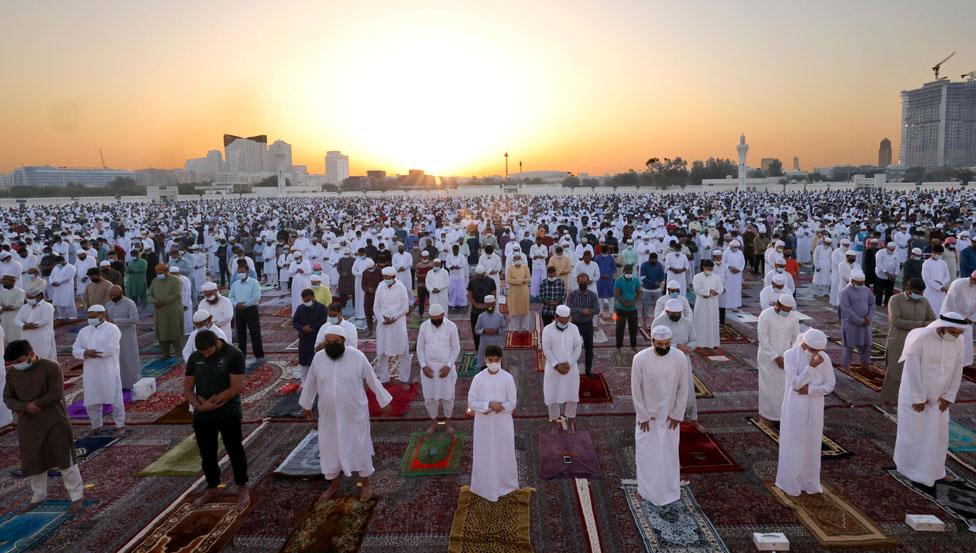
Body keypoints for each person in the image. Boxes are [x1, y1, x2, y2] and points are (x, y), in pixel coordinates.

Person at [300, 325, 392, 501]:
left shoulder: (357, 356)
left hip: (354, 413)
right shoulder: (319, 358)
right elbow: (310, 382)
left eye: (335, 342)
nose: (331, 345)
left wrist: (384, 401)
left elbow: (372, 379)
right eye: (328, 342)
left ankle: (365, 485)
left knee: (360, 446)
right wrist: (306, 405)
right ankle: (334, 485)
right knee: (330, 448)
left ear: (343, 341)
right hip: (329, 415)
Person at [3, 340, 85, 513]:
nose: (17, 365)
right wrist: (25, 407)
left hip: (54, 420)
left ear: (31, 354)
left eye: (19, 361)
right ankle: (38, 495)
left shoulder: (50, 367)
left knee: (64, 457)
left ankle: (76, 495)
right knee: (34, 459)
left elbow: (56, 393)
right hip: (29, 423)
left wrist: (37, 404)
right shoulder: (12, 374)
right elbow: (8, 398)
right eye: (13, 363)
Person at [893, 313, 968, 487]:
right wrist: (919, 397)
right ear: (941, 327)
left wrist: (950, 396)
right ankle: (908, 469)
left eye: (959, 332)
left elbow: (958, 369)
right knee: (914, 433)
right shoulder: (920, 339)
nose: (955, 335)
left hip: (940, 396)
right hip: (915, 395)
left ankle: (936, 472)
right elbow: (912, 370)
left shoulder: (958, 341)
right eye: (952, 331)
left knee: (939, 436)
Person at [183, 330, 249, 506]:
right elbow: (188, 388)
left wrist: (214, 401)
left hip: (228, 412)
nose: (205, 355)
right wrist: (199, 405)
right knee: (207, 452)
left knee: (234, 449)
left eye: (208, 352)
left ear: (217, 342)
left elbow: (237, 386)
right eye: (202, 353)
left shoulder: (233, 355)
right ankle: (213, 486)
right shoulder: (195, 357)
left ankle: (242, 486)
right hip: (203, 414)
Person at [631, 325, 689, 506]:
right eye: (660, 344)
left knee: (668, 455)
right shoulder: (640, 358)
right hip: (647, 417)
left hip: (670, 417)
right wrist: (643, 416)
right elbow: (635, 389)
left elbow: (683, 387)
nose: (664, 347)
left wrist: (677, 414)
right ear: (652, 341)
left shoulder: (679, 357)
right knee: (646, 455)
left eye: (667, 344)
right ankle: (645, 490)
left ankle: (669, 492)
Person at [775, 328, 835, 497]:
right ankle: (789, 483)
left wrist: (811, 390)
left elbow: (829, 385)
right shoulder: (790, 355)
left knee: (812, 445)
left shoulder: (825, 358)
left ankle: (809, 481)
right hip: (795, 408)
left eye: (820, 351)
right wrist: (811, 367)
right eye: (815, 350)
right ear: (805, 344)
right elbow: (795, 384)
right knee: (794, 445)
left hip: (815, 408)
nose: (818, 354)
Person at [467, 344, 518, 502]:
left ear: (501, 360)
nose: (494, 362)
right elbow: (471, 402)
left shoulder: (507, 378)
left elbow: (513, 402)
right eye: (491, 360)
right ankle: (484, 487)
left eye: (497, 360)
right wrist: (488, 404)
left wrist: (500, 407)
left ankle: (505, 485)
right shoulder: (478, 378)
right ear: (485, 359)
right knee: (485, 454)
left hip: (503, 422)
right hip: (484, 424)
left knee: (504, 453)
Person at [72, 305, 125, 437]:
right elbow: (75, 349)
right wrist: (85, 352)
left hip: (108, 369)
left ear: (103, 315)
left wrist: (91, 352)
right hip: (90, 371)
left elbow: (110, 349)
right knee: (92, 399)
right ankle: (96, 426)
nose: (90, 319)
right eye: (89, 317)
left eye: (94, 316)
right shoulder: (84, 331)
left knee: (115, 398)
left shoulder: (113, 329)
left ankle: (120, 426)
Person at [880, 279, 935, 406]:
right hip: (899, 341)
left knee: (916, 372)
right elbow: (896, 321)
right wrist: (921, 325)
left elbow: (932, 320)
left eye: (920, 293)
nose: (918, 295)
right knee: (895, 372)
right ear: (908, 290)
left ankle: (909, 399)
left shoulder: (924, 301)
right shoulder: (895, 300)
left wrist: (921, 325)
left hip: (918, 342)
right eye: (916, 292)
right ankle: (888, 401)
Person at [756, 294, 801, 425]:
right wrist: (775, 357)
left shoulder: (792, 316)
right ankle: (765, 415)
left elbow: (796, 337)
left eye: (789, 310)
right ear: (778, 305)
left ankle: (782, 414)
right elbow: (763, 340)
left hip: (786, 357)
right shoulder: (765, 315)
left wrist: (789, 355)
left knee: (784, 387)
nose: (787, 313)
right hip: (768, 358)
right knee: (767, 388)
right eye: (785, 310)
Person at [416, 304, 460, 435]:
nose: (435, 321)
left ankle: (448, 423)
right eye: (432, 318)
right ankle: (433, 422)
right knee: (430, 398)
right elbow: (420, 348)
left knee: (448, 396)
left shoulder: (451, 327)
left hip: (446, 367)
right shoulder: (424, 327)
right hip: (429, 368)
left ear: (443, 315)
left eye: (437, 318)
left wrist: (449, 365)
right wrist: (423, 365)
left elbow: (456, 348)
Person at [541, 305, 582, 433]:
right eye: (561, 319)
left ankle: (570, 422)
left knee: (572, 395)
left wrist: (569, 363)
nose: (564, 322)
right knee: (552, 396)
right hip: (553, 369)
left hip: (571, 368)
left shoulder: (574, 328)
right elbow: (546, 349)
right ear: (556, 317)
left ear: (569, 318)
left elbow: (578, 348)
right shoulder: (548, 329)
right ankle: (554, 423)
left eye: (566, 319)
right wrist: (556, 365)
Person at [375, 266, 410, 384]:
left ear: (394, 277)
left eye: (388, 277)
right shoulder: (380, 286)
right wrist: (381, 318)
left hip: (398, 323)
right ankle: (383, 377)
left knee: (403, 351)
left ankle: (404, 377)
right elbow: (376, 306)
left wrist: (394, 318)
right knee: (381, 352)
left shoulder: (401, 288)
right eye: (384, 277)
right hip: (383, 324)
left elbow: (405, 308)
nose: (385, 279)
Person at [104, 286, 141, 389]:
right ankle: (120, 384)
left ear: (120, 293)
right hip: (114, 337)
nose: (112, 297)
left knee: (129, 359)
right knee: (117, 359)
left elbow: (134, 319)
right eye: (110, 295)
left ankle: (133, 383)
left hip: (127, 336)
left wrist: (116, 321)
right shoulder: (108, 304)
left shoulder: (129, 303)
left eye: (114, 295)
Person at [228, 263, 265, 362]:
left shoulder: (254, 283)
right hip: (239, 310)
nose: (241, 274)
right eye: (239, 272)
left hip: (251, 309)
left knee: (255, 332)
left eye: (242, 272)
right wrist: (236, 304)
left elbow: (256, 296)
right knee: (240, 333)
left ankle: (259, 354)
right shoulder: (235, 284)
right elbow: (231, 296)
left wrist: (245, 304)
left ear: (247, 272)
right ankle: (241, 354)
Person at [148, 263, 185, 361]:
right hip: (160, 312)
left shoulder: (176, 280)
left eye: (160, 273)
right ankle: (165, 352)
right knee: (162, 332)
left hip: (173, 311)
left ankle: (179, 352)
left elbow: (177, 294)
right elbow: (149, 294)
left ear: (166, 271)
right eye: (157, 273)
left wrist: (163, 302)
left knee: (175, 331)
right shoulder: (155, 281)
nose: (159, 275)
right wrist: (154, 301)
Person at [839, 269, 873, 371]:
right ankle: (846, 365)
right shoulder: (844, 292)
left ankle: (865, 363)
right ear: (852, 281)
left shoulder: (866, 290)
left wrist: (869, 317)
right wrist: (860, 320)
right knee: (849, 345)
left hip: (866, 323)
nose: (861, 285)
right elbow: (846, 310)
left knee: (867, 344)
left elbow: (872, 304)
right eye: (859, 283)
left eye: (862, 283)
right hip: (851, 323)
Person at [566, 273, 600, 376]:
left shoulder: (593, 295)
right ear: (577, 282)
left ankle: (588, 370)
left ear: (588, 281)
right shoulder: (572, 295)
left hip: (588, 325)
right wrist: (581, 311)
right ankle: (571, 369)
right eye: (581, 281)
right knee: (572, 348)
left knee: (589, 349)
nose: (583, 283)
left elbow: (597, 309)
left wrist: (589, 311)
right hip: (575, 325)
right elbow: (569, 310)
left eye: (584, 281)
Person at [942, 270, 976, 369]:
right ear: (970, 277)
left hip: (967, 319)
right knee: (950, 339)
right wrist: (955, 318)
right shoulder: (958, 284)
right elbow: (950, 302)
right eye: (973, 280)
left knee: (966, 342)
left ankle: (964, 364)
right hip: (952, 316)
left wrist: (971, 318)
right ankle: (949, 362)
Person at [293, 289, 328, 377]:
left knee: (316, 360)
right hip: (303, 338)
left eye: (308, 300)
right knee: (304, 362)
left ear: (313, 297)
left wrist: (311, 327)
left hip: (316, 338)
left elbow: (323, 322)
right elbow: (295, 321)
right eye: (304, 301)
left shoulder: (322, 308)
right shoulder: (300, 308)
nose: (306, 302)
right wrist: (302, 328)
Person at [15, 289, 57, 363]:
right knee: (27, 356)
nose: (29, 299)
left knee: (44, 357)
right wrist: (24, 325)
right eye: (28, 297)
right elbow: (16, 320)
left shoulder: (48, 307)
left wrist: (30, 325)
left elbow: (45, 321)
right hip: (27, 336)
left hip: (42, 337)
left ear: (40, 296)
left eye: (31, 297)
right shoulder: (25, 307)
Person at [692, 259, 723, 349]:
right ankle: (699, 342)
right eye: (708, 268)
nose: (709, 270)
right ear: (703, 267)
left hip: (712, 303)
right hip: (701, 303)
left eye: (711, 269)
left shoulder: (717, 277)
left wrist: (715, 292)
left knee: (712, 321)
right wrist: (707, 292)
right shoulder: (697, 277)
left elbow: (720, 289)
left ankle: (712, 342)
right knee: (700, 321)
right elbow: (696, 289)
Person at [467, 266, 496, 351]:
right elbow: (470, 295)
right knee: (476, 330)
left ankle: (490, 348)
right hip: (475, 310)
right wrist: (476, 305)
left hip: (488, 309)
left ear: (484, 273)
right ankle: (478, 348)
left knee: (489, 329)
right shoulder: (472, 282)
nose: (479, 277)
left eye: (481, 275)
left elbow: (493, 294)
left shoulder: (491, 281)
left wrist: (486, 305)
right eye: (478, 275)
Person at [474, 294, 506, 369]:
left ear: (494, 304)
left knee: (497, 364)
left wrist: (497, 331)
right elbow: (476, 330)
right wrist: (484, 330)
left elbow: (504, 329)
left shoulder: (500, 316)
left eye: (491, 304)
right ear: (485, 305)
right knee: (485, 365)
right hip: (485, 345)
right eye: (488, 304)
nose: (490, 306)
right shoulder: (481, 317)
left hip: (497, 344)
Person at [614, 265, 641, 349]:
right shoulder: (619, 280)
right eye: (627, 270)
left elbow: (639, 294)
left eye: (630, 270)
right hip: (621, 308)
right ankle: (619, 344)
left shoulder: (636, 281)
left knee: (633, 328)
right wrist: (624, 302)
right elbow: (617, 294)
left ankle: (633, 344)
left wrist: (632, 302)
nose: (629, 272)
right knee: (619, 327)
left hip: (632, 308)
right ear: (624, 271)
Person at [922, 245, 951, 314]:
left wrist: (942, 283)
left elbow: (947, 277)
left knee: (941, 310)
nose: (940, 255)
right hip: (930, 291)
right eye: (938, 254)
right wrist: (939, 287)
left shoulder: (943, 263)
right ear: (933, 252)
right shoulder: (926, 263)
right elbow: (927, 279)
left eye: (941, 254)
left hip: (941, 293)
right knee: (930, 311)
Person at [506, 254, 532, 331]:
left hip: (524, 292)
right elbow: (509, 280)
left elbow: (529, 279)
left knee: (525, 309)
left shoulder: (525, 267)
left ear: (521, 259)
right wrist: (519, 281)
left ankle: (525, 327)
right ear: (513, 260)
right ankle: (515, 327)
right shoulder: (510, 268)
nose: (517, 260)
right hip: (513, 292)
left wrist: (521, 281)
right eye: (516, 259)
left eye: (519, 258)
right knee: (514, 310)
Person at [639, 252, 665, 328]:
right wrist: (653, 283)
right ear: (649, 259)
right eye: (653, 260)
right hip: (646, 290)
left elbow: (662, 276)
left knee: (658, 307)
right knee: (645, 307)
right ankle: (644, 323)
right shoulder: (644, 265)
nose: (654, 261)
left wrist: (658, 282)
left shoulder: (659, 265)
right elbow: (643, 278)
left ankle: (657, 323)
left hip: (657, 290)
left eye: (655, 260)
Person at [49, 256, 77, 320]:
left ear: (62, 261)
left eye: (58, 263)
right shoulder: (56, 267)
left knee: (69, 302)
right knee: (58, 302)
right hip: (57, 288)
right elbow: (51, 276)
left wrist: (59, 282)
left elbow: (68, 277)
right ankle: (61, 316)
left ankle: (72, 316)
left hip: (66, 288)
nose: (57, 264)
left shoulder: (71, 267)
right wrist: (52, 282)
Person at [0, 272, 25, 343]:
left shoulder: (20, 291)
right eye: (3, 283)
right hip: (4, 316)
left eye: (6, 283)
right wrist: (3, 308)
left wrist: (5, 308)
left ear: (13, 282)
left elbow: (19, 304)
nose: (4, 284)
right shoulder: (2, 292)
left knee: (15, 334)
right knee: (5, 335)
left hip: (15, 315)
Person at [874, 242, 899, 306]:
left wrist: (895, 274)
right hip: (881, 275)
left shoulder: (896, 253)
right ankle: (878, 304)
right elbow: (879, 264)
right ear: (886, 247)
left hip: (891, 276)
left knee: (889, 291)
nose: (891, 251)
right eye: (890, 249)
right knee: (879, 291)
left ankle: (887, 304)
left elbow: (897, 265)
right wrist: (887, 273)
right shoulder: (880, 253)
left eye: (893, 249)